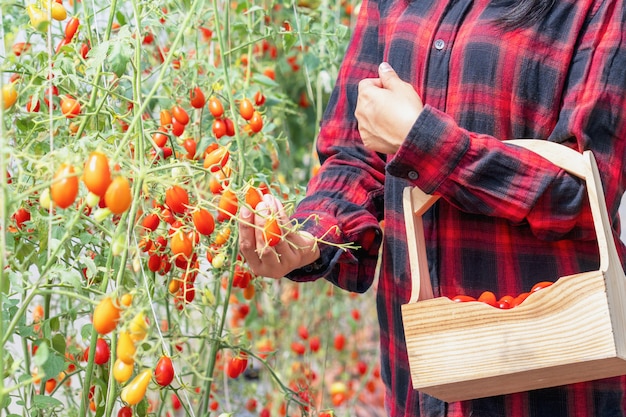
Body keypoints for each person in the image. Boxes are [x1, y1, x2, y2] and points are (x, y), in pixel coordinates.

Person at [238, 0, 626, 415]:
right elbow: (356, 156)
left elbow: (587, 192)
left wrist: (423, 141)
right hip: (422, 374)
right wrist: (310, 236)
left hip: (553, 368)